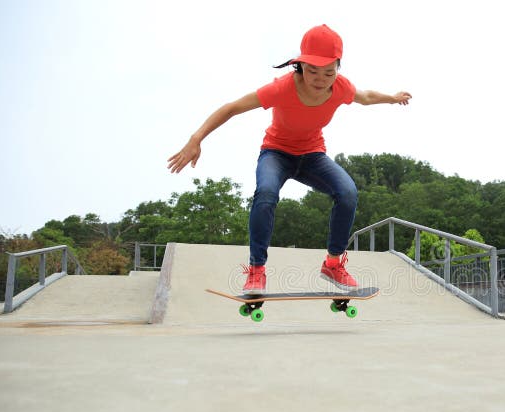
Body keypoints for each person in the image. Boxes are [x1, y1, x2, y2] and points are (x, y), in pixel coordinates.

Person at [167, 24, 412, 292]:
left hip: (313, 156)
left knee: (348, 192)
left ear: (338, 69)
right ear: (299, 66)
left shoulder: (341, 88)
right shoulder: (281, 88)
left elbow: (365, 97)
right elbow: (232, 108)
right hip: (277, 153)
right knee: (266, 193)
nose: (320, 80)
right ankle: (256, 270)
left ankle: (332, 264)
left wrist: (392, 98)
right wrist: (196, 138)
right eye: (312, 71)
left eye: (329, 72)